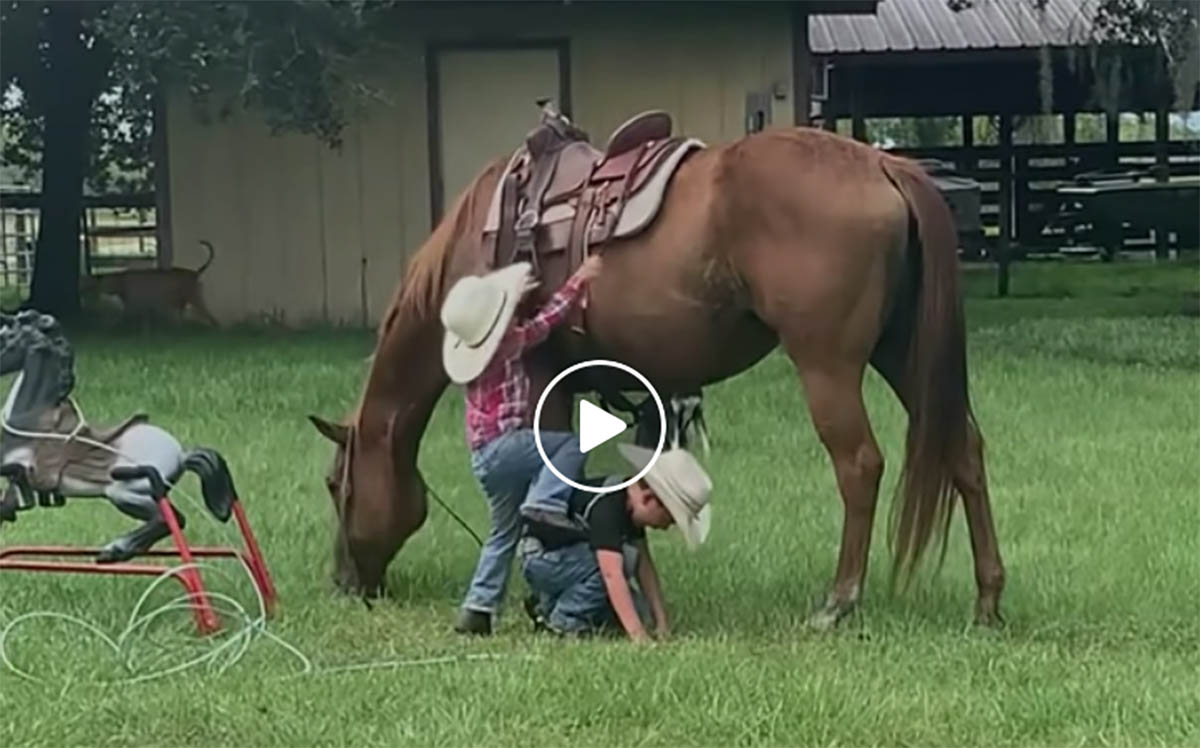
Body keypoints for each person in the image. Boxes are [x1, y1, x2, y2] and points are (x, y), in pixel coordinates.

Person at [439, 254, 604, 636]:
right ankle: (544, 503)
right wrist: (579, 279)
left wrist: (512, 298)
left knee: (503, 531)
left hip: (483, 458)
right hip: (506, 445)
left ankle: (477, 607)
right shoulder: (509, 344)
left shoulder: (478, 352)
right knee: (571, 445)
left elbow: (498, 323)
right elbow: (545, 324)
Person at [519, 443, 712, 643]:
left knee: (637, 609)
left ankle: (547, 605)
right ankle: (563, 620)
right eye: (669, 518)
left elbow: (644, 566)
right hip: (542, 557)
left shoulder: (631, 506)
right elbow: (611, 574)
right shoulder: (609, 507)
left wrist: (660, 620)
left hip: (571, 561)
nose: (667, 526)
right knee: (616, 567)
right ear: (648, 499)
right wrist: (639, 636)